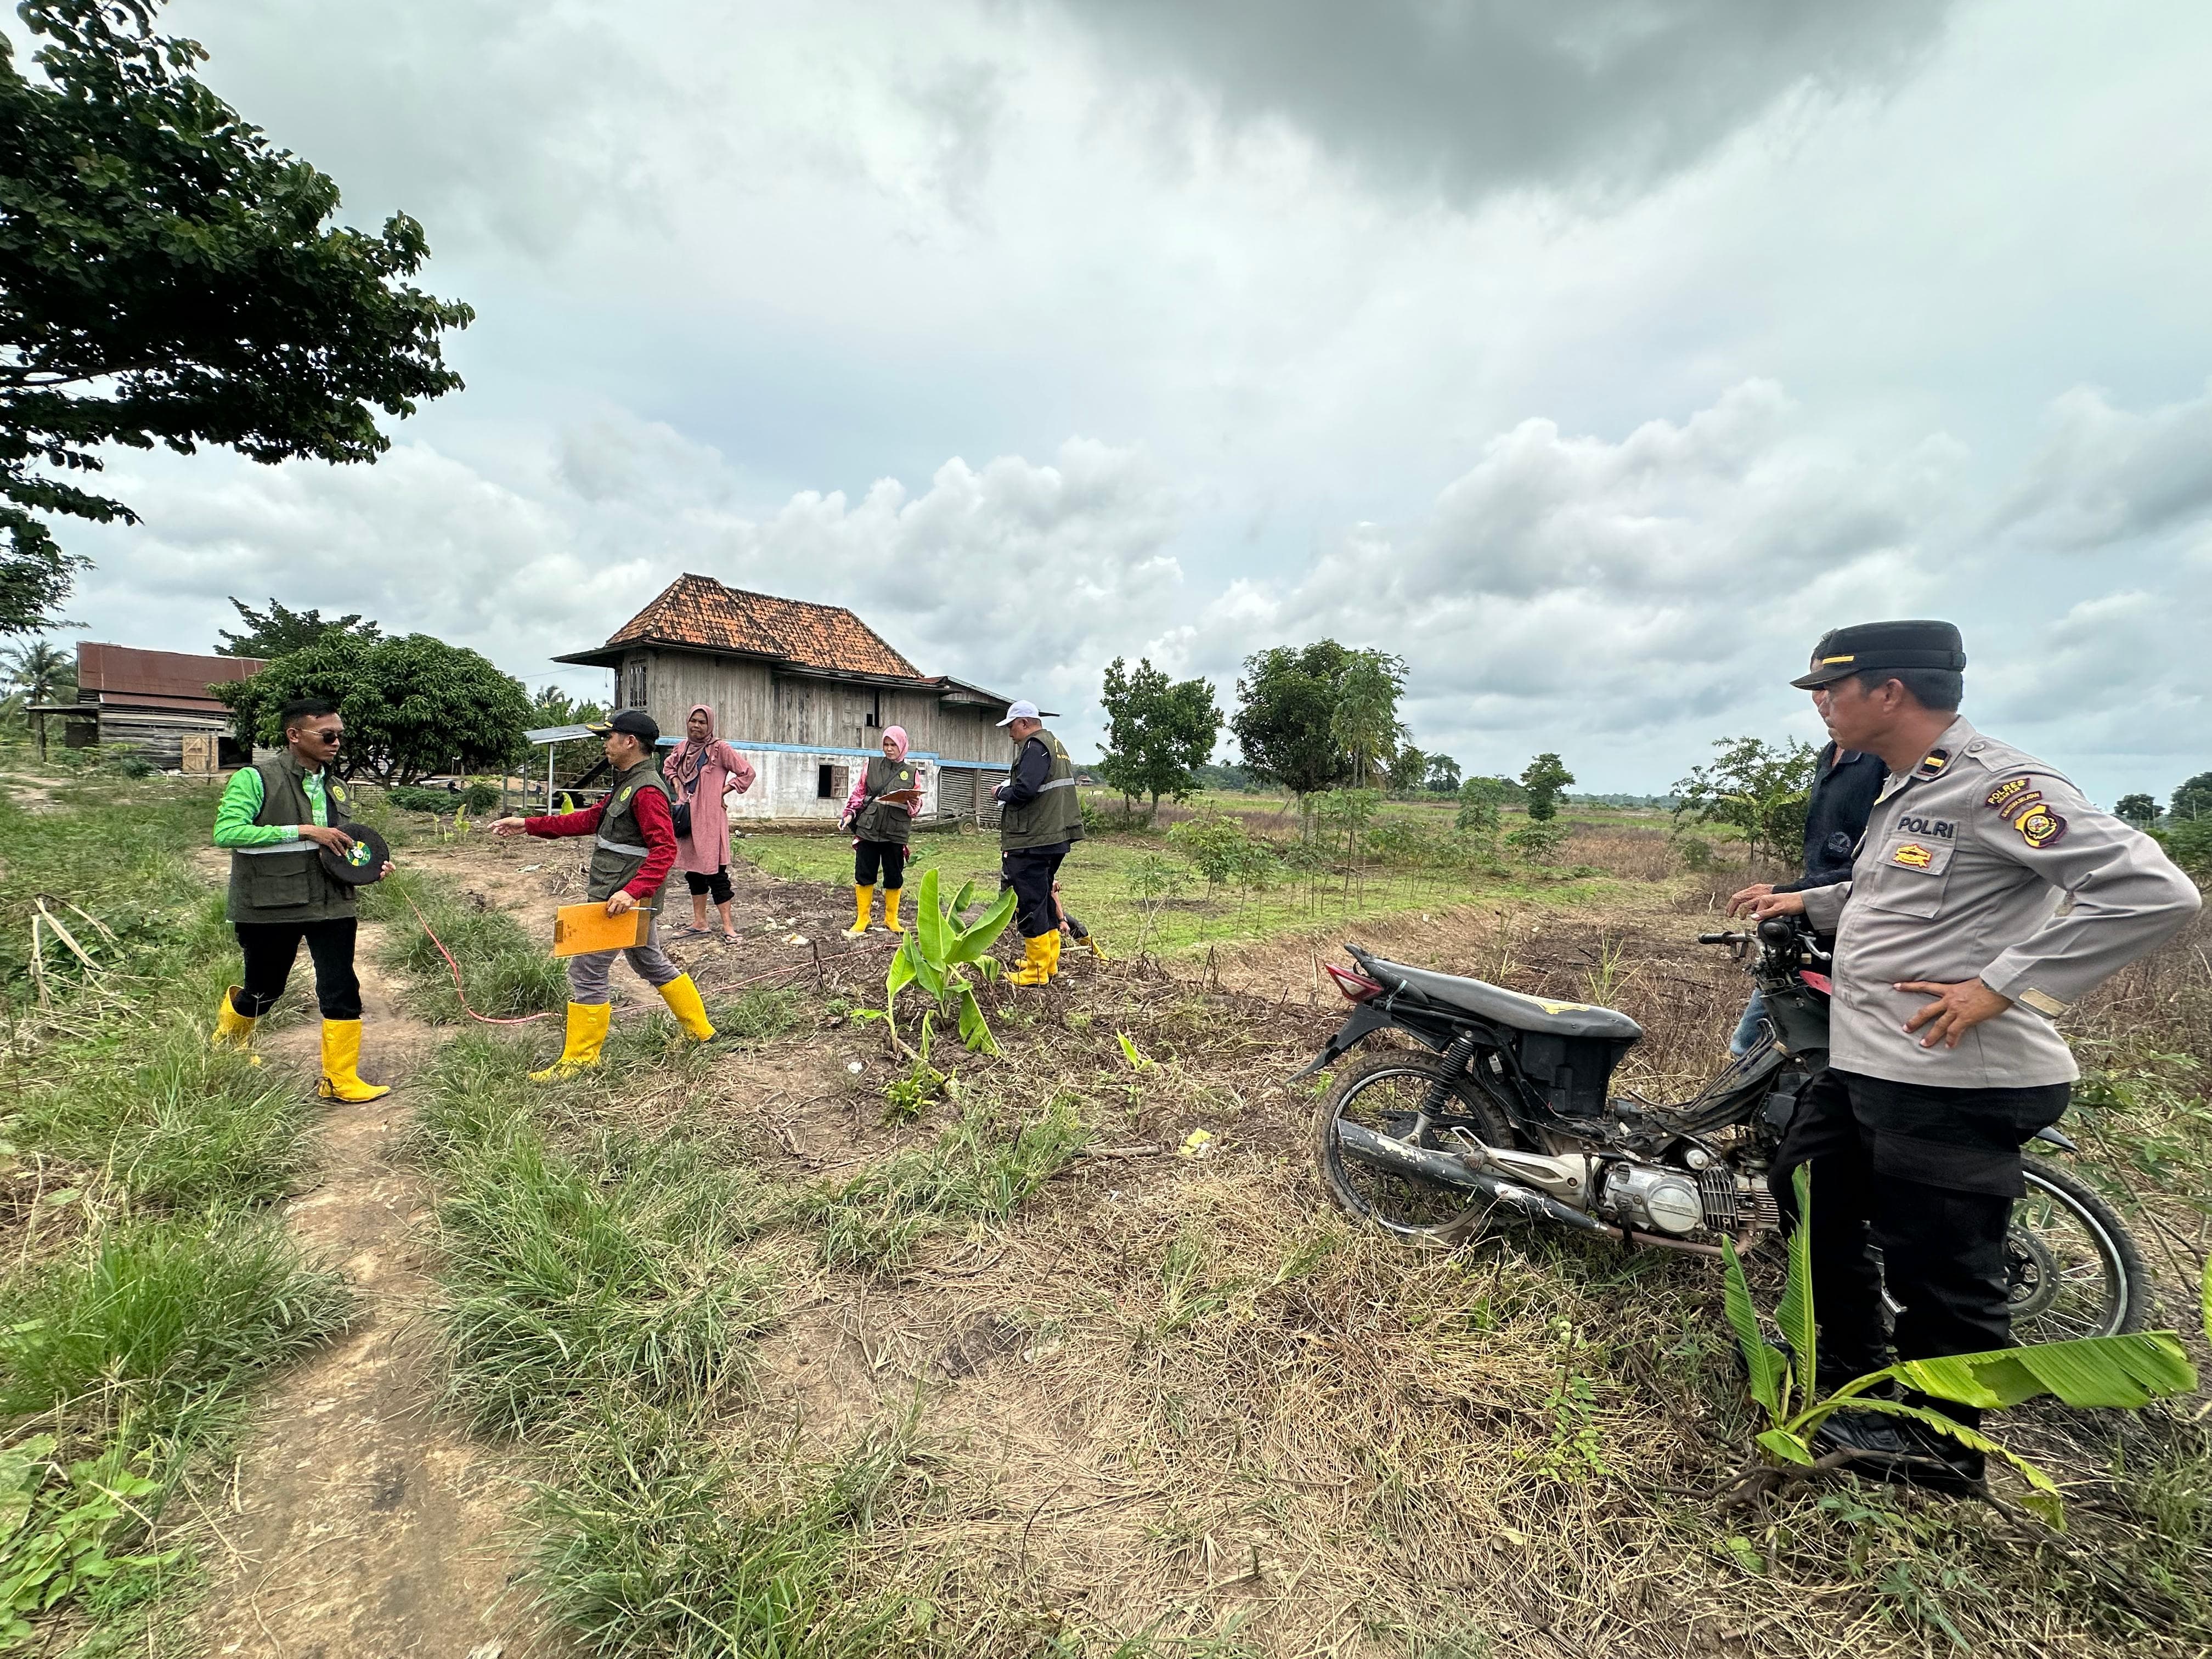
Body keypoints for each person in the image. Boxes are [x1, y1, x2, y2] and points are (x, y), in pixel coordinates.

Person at [1746, 620, 2199, 1489]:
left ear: (1889, 692)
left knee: (1940, 1267)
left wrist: (2001, 983)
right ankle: (1850, 1372)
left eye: (1830, 691)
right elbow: (1897, 891)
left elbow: (2152, 891)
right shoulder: (1905, 787)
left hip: (1955, 1079)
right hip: (1875, 1059)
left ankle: (1941, 1446)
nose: (1822, 709)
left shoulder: (2000, 784)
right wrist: (1803, 900)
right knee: (1808, 1191)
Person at [488, 710, 718, 1077]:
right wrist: (528, 825)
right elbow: (590, 818)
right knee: (649, 962)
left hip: (620, 900)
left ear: (630, 742)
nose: (605, 743)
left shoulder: (646, 790)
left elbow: (664, 849)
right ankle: (700, 1032)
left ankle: (580, 1060)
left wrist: (632, 892)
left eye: (609, 737)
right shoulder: (629, 783)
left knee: (587, 970)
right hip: (621, 895)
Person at [210, 697, 393, 1102]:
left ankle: (340, 1080)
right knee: (264, 990)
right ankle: (228, 1045)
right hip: (270, 904)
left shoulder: (335, 784)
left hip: (332, 902)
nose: (336, 742)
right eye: (327, 735)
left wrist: (369, 865)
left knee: (341, 986)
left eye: (340, 735)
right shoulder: (255, 779)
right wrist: (304, 831)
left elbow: (340, 845)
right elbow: (228, 834)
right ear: (295, 736)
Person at [1722, 729, 1884, 1054]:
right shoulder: (1832, 752)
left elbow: (1881, 867)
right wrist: (1796, 895)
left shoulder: (1889, 757)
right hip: (1814, 921)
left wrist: (1793, 892)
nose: (1823, 699)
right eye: (1816, 689)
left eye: (1831, 685)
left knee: (1825, 1052)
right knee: (1754, 1044)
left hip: (1863, 929)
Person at [994, 699, 1083, 985]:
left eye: (1011, 726)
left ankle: (1036, 971)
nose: (1010, 734)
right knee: (1043, 897)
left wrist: (1002, 792)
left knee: (1031, 901)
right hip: (1054, 836)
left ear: (1024, 723)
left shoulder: (1034, 747)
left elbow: (1025, 790)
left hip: (1033, 838)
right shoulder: (1056, 745)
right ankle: (1048, 961)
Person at [664, 703, 757, 941]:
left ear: (710, 725)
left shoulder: (720, 749)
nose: (696, 726)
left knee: (716, 873)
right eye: (693, 721)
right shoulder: (682, 748)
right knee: (693, 872)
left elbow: (747, 772)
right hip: (686, 817)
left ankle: (728, 927)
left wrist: (722, 791)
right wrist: (677, 786)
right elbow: (669, 767)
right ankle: (700, 922)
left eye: (702, 722)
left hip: (710, 819)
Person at [840, 725, 922, 936]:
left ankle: (891, 918)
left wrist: (913, 802)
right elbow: (860, 792)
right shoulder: (872, 764)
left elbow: (915, 808)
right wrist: (849, 813)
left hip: (895, 831)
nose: (888, 749)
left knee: (894, 875)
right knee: (864, 873)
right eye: (886, 744)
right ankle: (863, 918)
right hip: (869, 827)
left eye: (893, 744)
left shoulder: (912, 772)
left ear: (902, 746)